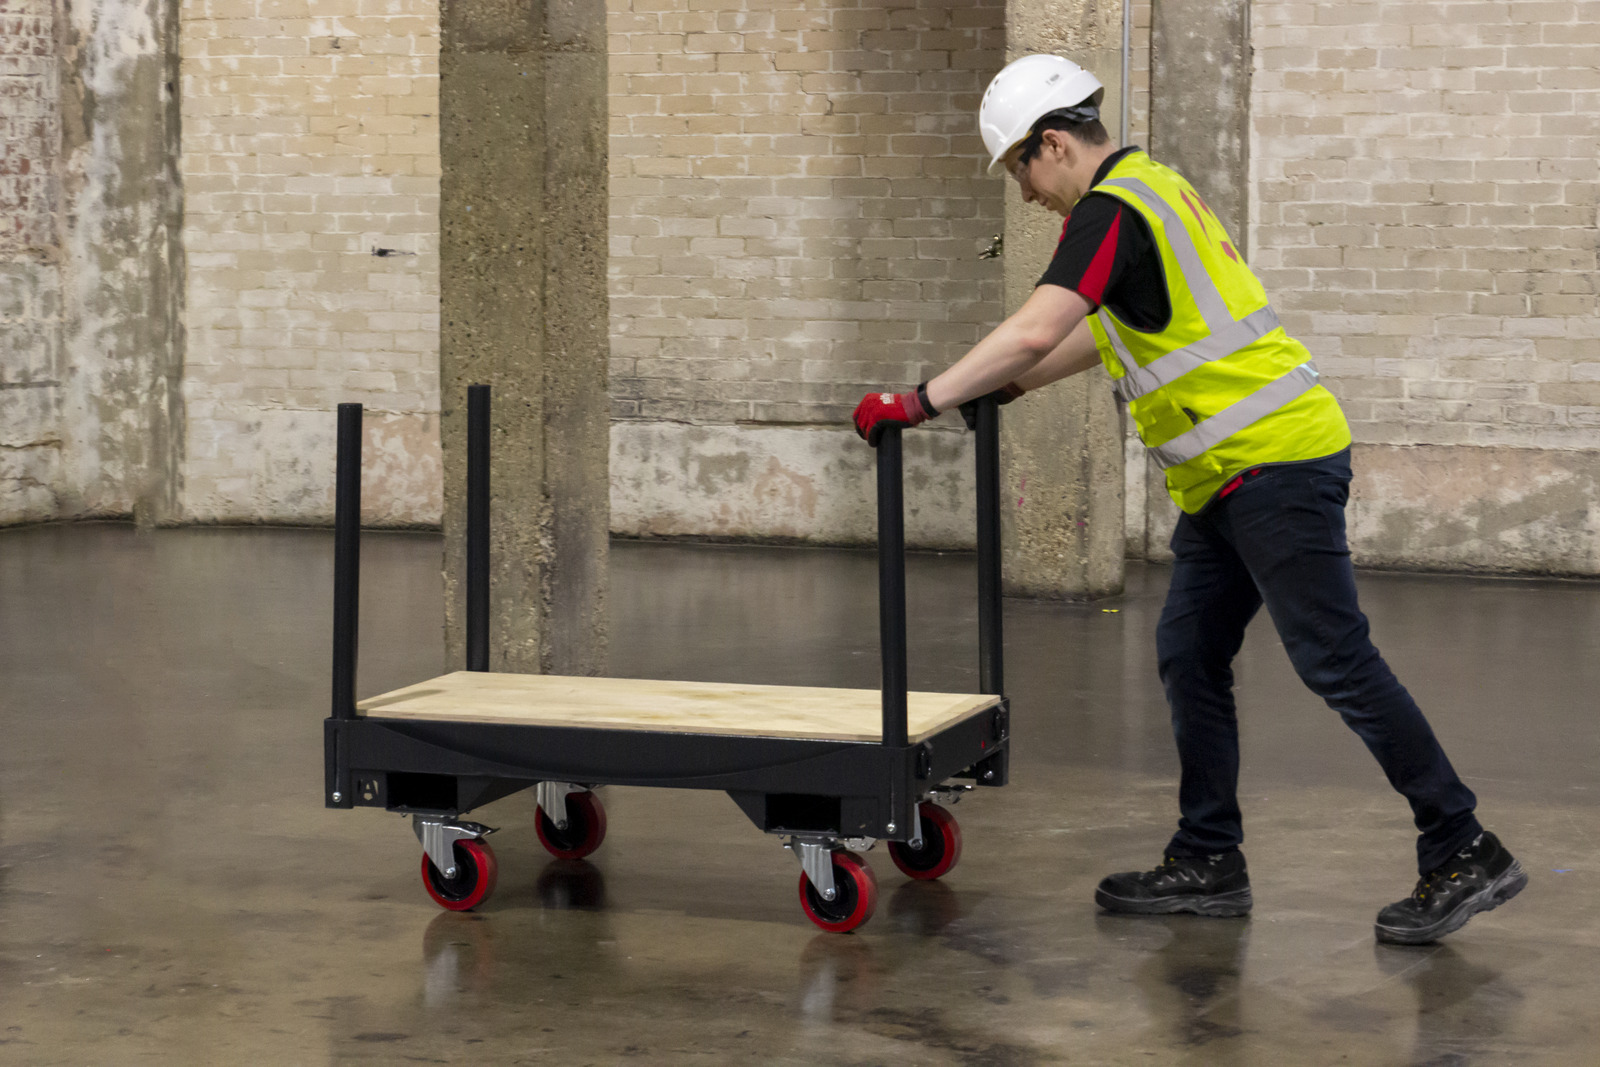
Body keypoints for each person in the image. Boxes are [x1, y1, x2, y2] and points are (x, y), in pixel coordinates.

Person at [850, 53, 1526, 945]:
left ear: (1051, 144)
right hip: (1228, 476)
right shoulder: (1154, 190)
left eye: (1019, 170)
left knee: (1334, 658)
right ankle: (1209, 857)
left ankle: (1462, 843)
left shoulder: (1111, 207)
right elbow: (1101, 334)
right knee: (1188, 652)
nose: (1024, 194)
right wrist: (1008, 390)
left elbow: (1037, 324)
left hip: (1272, 462)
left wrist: (924, 398)